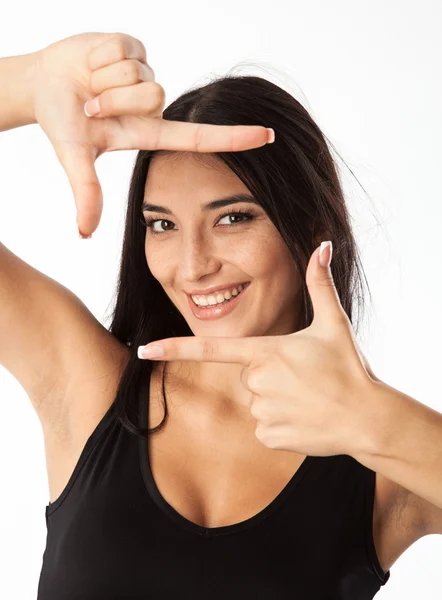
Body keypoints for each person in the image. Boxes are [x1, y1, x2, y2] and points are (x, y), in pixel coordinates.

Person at [1, 31, 441, 600]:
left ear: (310, 227)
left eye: (232, 218)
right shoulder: (88, 388)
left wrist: (375, 419)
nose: (192, 267)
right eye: (162, 224)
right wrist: (28, 82)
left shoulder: (382, 467)